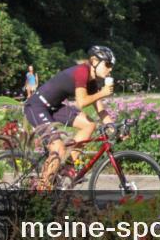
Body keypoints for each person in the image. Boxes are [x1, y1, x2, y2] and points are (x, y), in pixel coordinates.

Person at [23, 46, 116, 189]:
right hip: (37, 106)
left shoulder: (92, 81)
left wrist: (114, 127)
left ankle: (66, 167)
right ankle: (42, 191)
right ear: (94, 61)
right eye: (108, 64)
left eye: (112, 66)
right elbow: (81, 102)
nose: (110, 69)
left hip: (54, 107)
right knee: (58, 148)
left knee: (89, 125)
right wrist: (103, 93)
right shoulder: (81, 72)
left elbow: (100, 110)